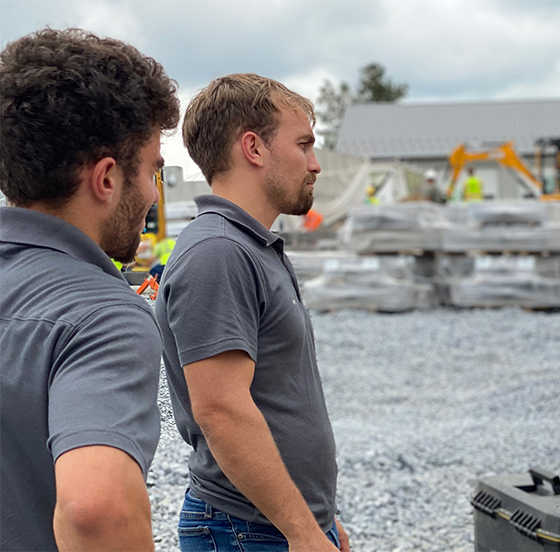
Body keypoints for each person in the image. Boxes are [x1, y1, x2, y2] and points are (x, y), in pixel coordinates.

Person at [0, 28, 180, 550]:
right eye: (151, 172)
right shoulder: (103, 316)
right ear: (106, 178)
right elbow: (96, 512)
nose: (153, 194)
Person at [156, 73, 349, 552]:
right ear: (254, 148)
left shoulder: (249, 247)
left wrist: (319, 518)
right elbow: (221, 411)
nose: (315, 164)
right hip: (247, 531)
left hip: (273, 524)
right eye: (303, 145)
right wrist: (302, 530)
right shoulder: (219, 253)